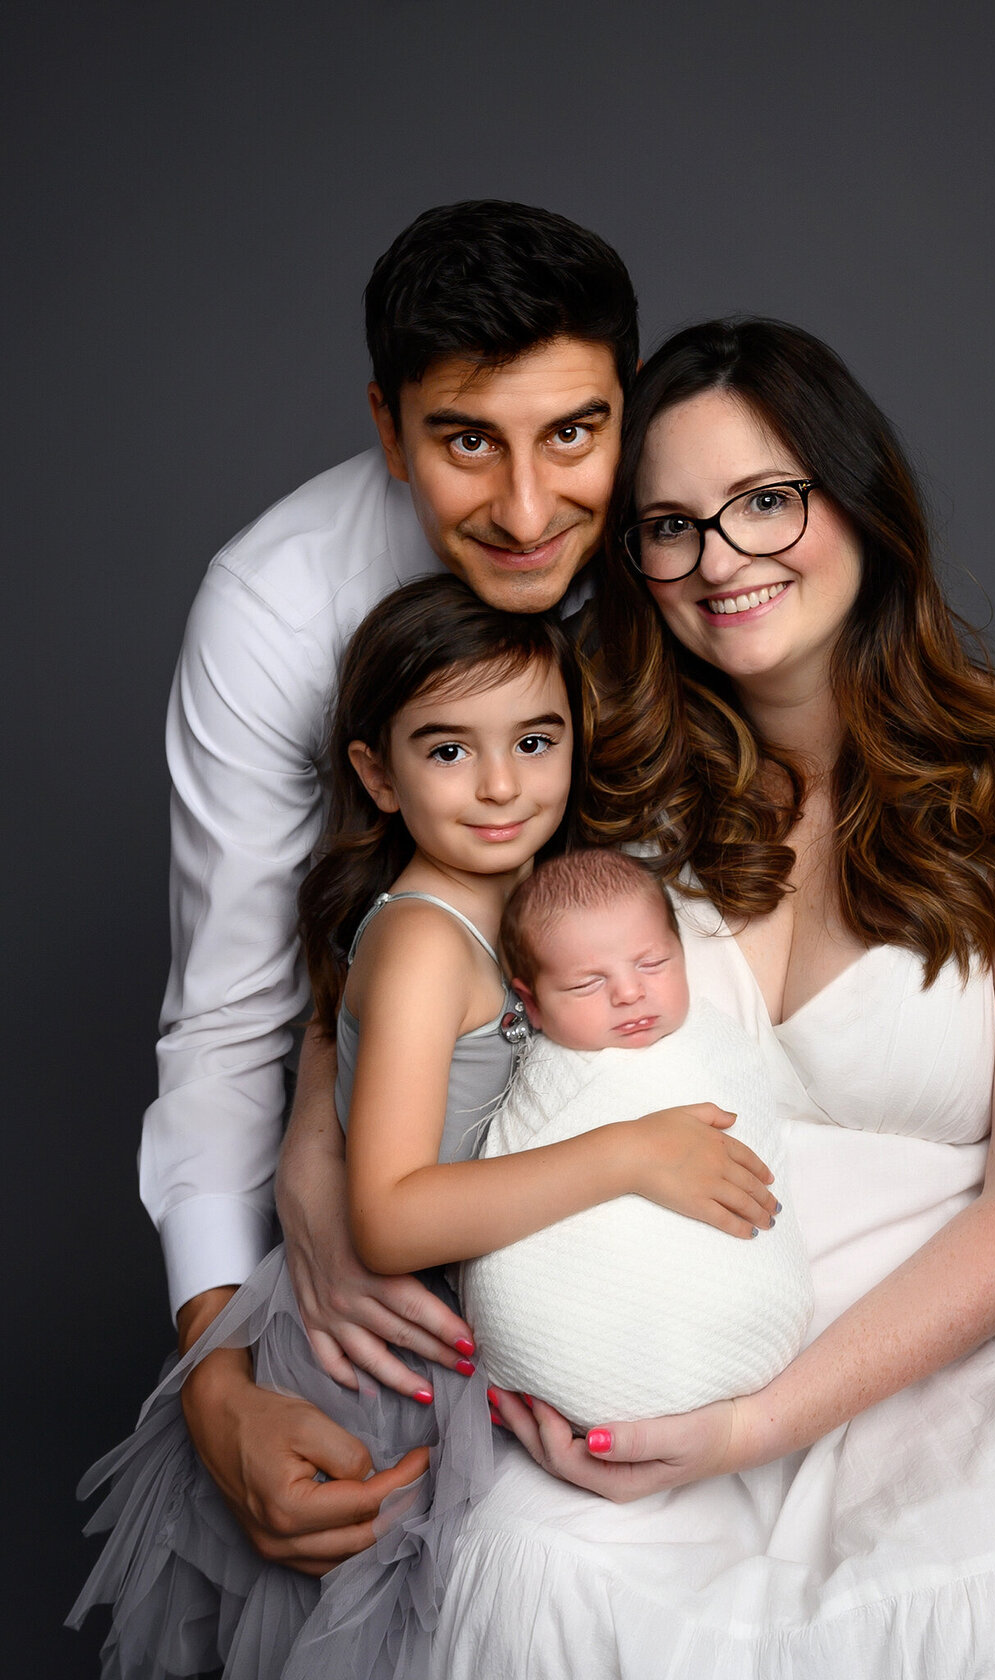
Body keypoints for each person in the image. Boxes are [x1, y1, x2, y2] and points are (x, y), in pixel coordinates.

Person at [428, 319, 995, 1677]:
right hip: (657, 1337)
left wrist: (751, 1429)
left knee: (978, 1600)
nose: (722, 562)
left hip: (957, 1360)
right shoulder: (601, 779)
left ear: (861, 502)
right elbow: (394, 944)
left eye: (767, 501)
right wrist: (315, 1172)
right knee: (532, 1557)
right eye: (671, 526)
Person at [73, 575, 781, 1678]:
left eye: (535, 741)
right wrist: (630, 1155)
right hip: (370, 1367)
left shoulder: (523, 906)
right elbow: (393, 1217)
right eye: (448, 751)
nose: (502, 784)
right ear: (377, 775)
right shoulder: (422, 947)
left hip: (448, 1339)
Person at [138, 199, 638, 1569]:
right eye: (467, 439)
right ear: (386, 423)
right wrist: (217, 1384)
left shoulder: (697, 537)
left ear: (626, 407)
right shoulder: (275, 609)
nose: (531, 512)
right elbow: (226, 1013)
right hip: (436, 1254)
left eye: (575, 433)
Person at [463, 846, 813, 1427]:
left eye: (652, 964)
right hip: (568, 1337)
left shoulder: (717, 1045)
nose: (628, 993)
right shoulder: (543, 1072)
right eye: (585, 984)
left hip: (743, 1325)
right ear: (532, 1003)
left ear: (681, 954)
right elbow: (506, 1175)